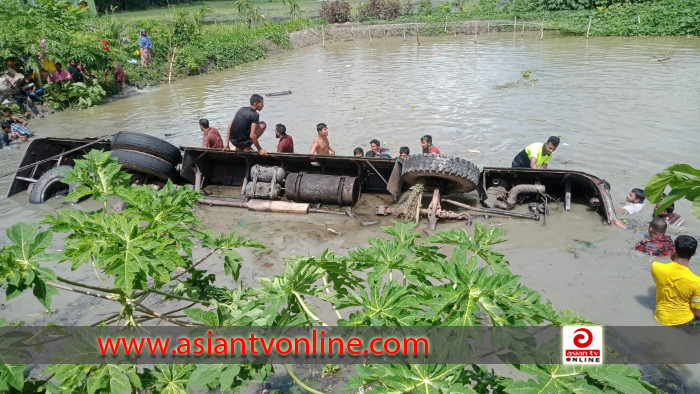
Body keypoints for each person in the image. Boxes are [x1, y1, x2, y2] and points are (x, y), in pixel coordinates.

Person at [651, 235, 700, 326]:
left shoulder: (656, 267)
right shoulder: (696, 282)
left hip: (660, 317)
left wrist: (673, 257)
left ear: (674, 249)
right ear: (694, 253)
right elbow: (697, 313)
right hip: (684, 322)